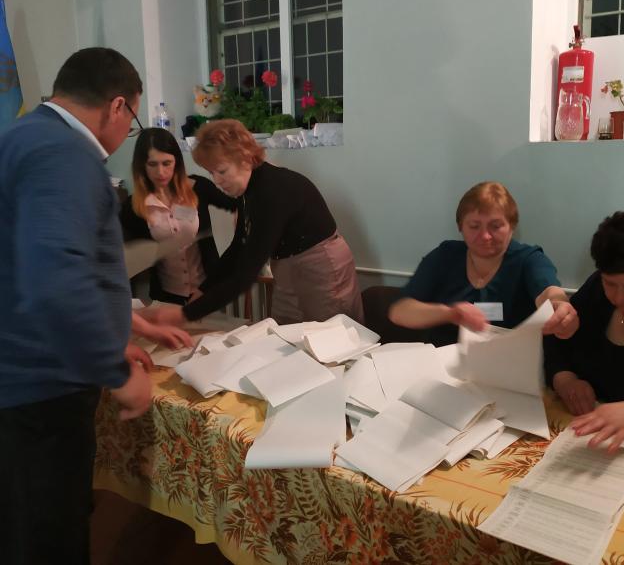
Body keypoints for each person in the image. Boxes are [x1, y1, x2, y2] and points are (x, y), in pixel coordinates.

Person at [0, 47, 152, 565]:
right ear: (117, 106)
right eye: (131, 120)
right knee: (49, 538)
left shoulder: (22, 135)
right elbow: (55, 280)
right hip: (40, 390)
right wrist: (115, 369)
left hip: (22, 375)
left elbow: (25, 261)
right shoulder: (65, 154)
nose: (124, 134)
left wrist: (118, 326)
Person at [142, 119, 363, 326]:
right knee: (284, 334)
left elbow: (245, 275)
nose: (216, 180)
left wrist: (184, 314)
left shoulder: (271, 190)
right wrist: (204, 289)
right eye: (211, 173)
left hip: (320, 266)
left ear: (246, 158)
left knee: (331, 338)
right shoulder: (248, 190)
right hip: (286, 266)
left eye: (222, 171)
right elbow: (238, 247)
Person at [389, 181, 578, 346]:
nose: (485, 236)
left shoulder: (528, 259)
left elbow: (549, 291)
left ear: (511, 226)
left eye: (495, 226)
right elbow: (399, 311)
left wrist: (560, 306)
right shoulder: (445, 256)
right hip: (444, 363)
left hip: (509, 364)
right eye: (474, 226)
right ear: (460, 227)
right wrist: (450, 314)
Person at [544, 211, 624, 450]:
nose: (619, 297)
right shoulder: (596, 291)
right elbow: (557, 341)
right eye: (610, 283)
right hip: (585, 440)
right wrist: (565, 379)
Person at [120, 127, 237, 304]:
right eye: (152, 164)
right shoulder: (133, 206)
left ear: (177, 161)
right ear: (142, 165)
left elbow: (236, 205)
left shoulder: (198, 187)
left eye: (167, 163)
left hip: (206, 290)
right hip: (165, 297)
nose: (160, 172)